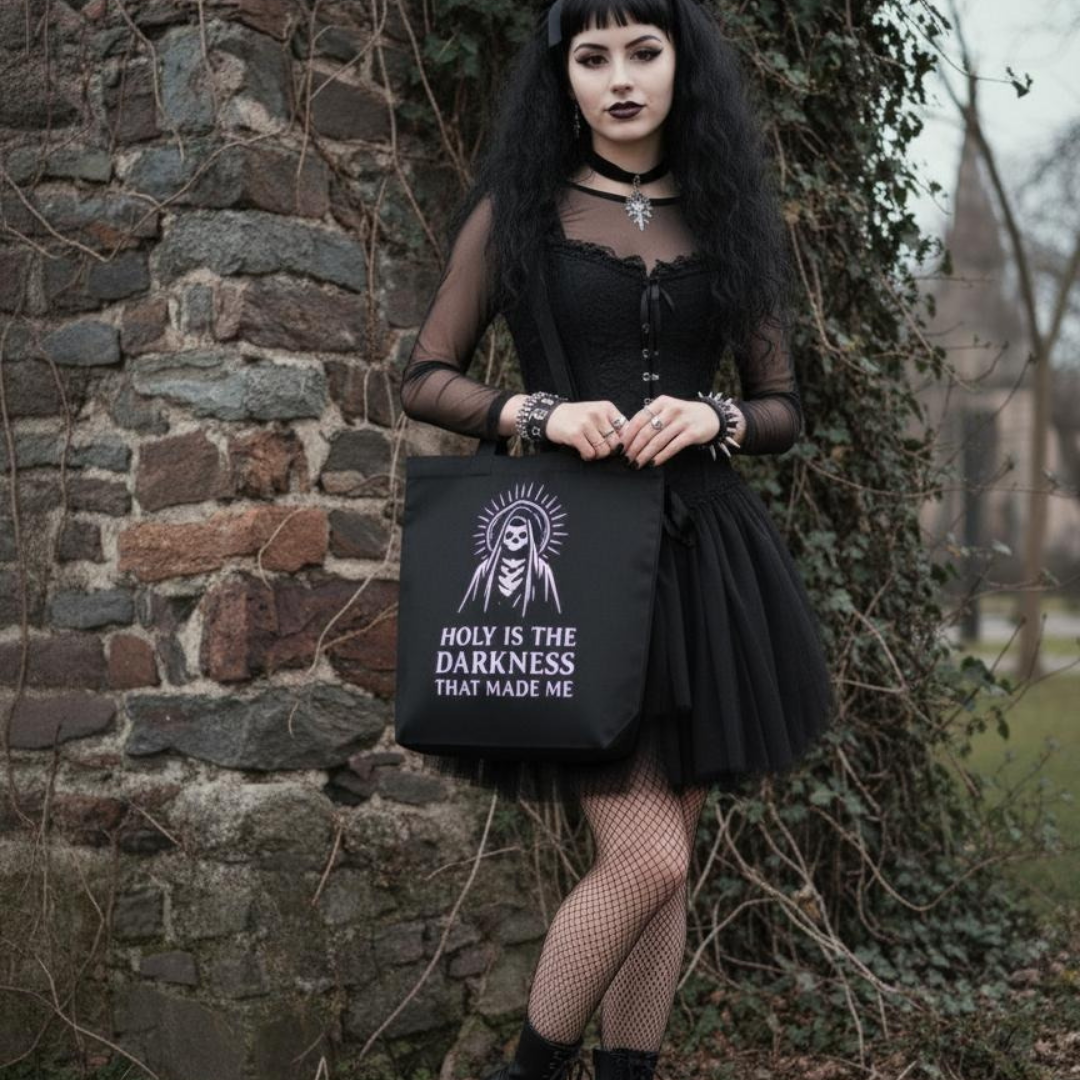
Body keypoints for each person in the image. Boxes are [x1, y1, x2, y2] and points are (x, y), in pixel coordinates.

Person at [397, 1, 834, 1077]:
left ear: (683, 63)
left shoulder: (729, 215)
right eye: (592, 57)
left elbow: (783, 406)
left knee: (670, 867)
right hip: (572, 561)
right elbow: (423, 377)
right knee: (643, 855)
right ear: (567, 77)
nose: (620, 78)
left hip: (701, 559)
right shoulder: (520, 213)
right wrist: (534, 414)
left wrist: (715, 416)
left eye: (644, 51)